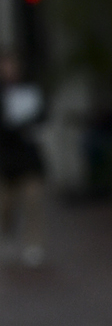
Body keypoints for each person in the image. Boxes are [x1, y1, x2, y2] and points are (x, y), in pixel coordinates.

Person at [0, 50, 48, 268]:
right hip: (5, 159)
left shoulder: (30, 90)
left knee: (33, 201)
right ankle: (6, 237)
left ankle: (33, 245)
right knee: (5, 205)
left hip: (28, 158)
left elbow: (43, 115)